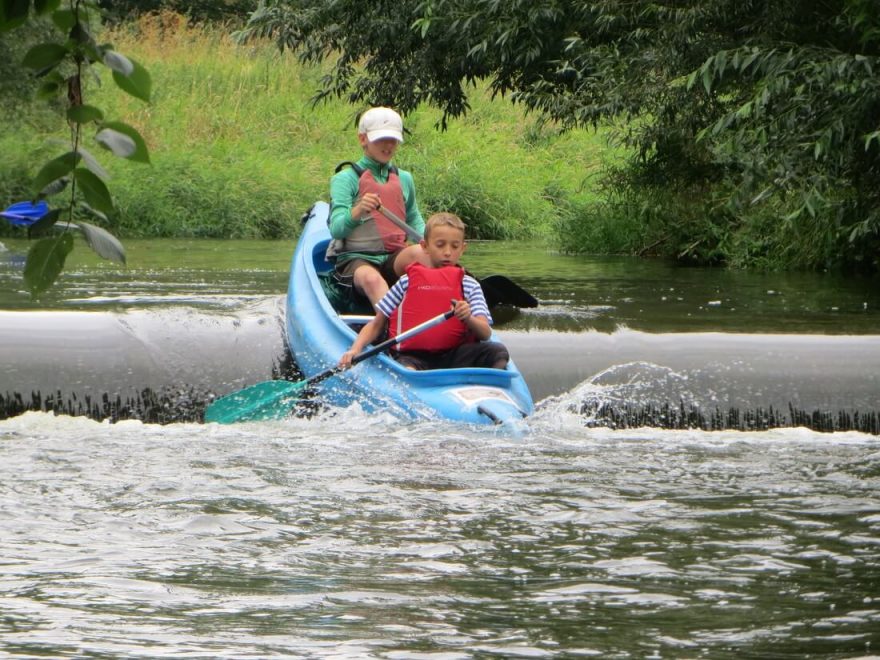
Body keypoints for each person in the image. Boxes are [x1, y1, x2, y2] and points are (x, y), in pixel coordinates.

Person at [339, 212, 510, 371]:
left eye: (455, 246)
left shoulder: (469, 285)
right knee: (407, 368)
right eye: (440, 245)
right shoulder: (406, 282)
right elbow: (377, 324)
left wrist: (468, 318)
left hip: (454, 356)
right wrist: (355, 349)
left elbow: (485, 333)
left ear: (462, 248)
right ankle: (414, 384)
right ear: (425, 246)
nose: (448, 252)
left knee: (498, 352)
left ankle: (490, 390)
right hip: (414, 358)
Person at [328, 106, 430, 307]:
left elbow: (413, 217)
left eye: (393, 139)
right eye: (381, 139)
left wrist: (430, 241)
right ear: (363, 139)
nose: (388, 145)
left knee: (424, 254)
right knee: (372, 279)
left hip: (393, 256)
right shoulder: (344, 179)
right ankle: (396, 329)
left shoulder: (405, 178)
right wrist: (357, 211)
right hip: (357, 258)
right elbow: (336, 228)